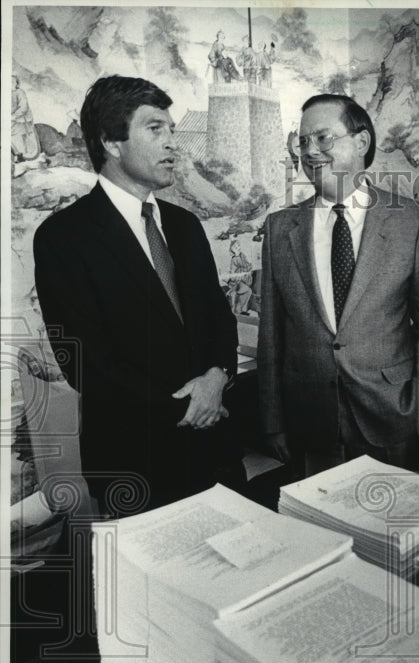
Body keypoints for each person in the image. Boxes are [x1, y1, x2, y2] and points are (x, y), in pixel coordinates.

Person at [33, 75, 242, 515]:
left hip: (216, 451)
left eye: (171, 129)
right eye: (155, 129)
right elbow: (86, 364)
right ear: (111, 142)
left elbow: (220, 322)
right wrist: (193, 405)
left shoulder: (185, 226)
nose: (173, 144)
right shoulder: (64, 237)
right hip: (136, 463)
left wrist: (218, 377)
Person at [257, 93, 419, 477]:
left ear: (361, 142)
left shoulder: (410, 221)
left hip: (391, 415)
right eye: (303, 141)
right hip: (309, 422)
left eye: (323, 138)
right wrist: (273, 420)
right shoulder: (279, 229)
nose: (310, 152)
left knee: (390, 531)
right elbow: (271, 335)